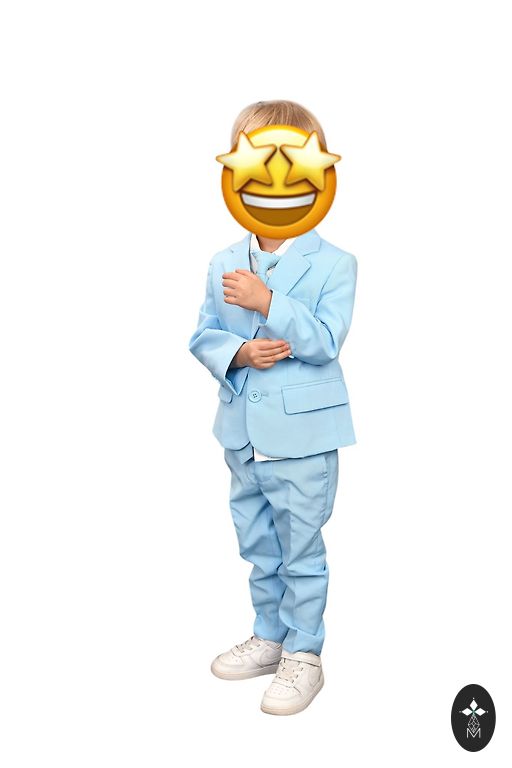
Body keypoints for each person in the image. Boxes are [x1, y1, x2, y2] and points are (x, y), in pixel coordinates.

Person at [188, 100, 357, 715]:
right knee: (258, 542)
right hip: (241, 434)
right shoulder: (223, 261)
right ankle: (270, 635)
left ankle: (305, 652)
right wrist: (237, 353)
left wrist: (269, 301)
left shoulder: (336, 264)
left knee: (301, 546)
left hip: (303, 439)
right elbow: (203, 335)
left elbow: (326, 341)